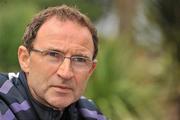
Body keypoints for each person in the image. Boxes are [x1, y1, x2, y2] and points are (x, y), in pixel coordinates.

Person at [0, 5, 106, 120]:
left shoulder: (89, 113)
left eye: (80, 60)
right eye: (53, 54)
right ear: (25, 59)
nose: (65, 73)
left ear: (90, 70)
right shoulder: (4, 100)